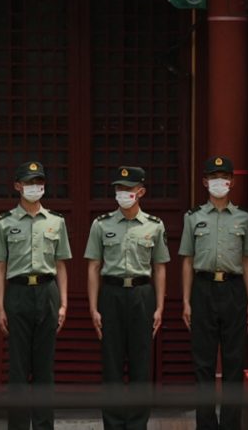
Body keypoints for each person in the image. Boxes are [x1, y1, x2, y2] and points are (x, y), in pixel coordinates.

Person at [0, 161, 71, 430]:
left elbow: (61, 265)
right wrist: (0, 308)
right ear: (17, 186)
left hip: (47, 293)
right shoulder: (3, 222)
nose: (35, 187)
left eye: (39, 182)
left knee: (45, 368)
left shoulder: (56, 221)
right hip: (18, 293)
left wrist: (63, 304)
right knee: (18, 369)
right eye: (29, 182)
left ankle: (44, 426)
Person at [85, 166, 170, 429]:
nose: (122, 193)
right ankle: (112, 424)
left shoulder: (154, 225)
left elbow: (160, 268)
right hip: (110, 295)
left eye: (128, 188)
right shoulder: (101, 224)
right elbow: (93, 267)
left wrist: (159, 307)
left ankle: (136, 424)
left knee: (140, 365)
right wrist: (93, 308)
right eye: (119, 188)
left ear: (140, 191)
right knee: (111, 364)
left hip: (142, 295)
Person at [180, 156, 248, 430]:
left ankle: (230, 425)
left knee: (234, 362)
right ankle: (206, 425)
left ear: (231, 182)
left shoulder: (243, 217)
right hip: (203, 289)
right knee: (203, 363)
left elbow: (247, 260)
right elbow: (187, 261)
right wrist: (186, 301)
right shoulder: (193, 217)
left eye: (223, 177)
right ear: (205, 182)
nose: (219, 182)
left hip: (234, 290)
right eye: (213, 177)